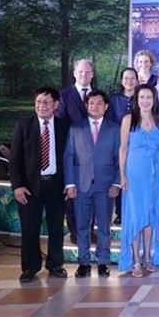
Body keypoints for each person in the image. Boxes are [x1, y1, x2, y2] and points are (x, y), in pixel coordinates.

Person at [10, 87, 69, 283]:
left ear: (56, 105)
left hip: (55, 185)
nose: (41, 106)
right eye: (38, 102)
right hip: (29, 187)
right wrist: (17, 186)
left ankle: (55, 264)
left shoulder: (64, 126)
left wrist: (69, 184)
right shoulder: (24, 125)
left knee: (55, 227)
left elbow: (70, 158)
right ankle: (29, 267)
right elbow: (15, 159)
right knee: (29, 228)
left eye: (46, 102)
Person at [63, 90, 120, 278]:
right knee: (81, 226)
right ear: (86, 106)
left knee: (104, 225)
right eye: (91, 103)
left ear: (106, 107)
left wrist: (117, 183)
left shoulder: (114, 129)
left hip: (105, 185)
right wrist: (70, 184)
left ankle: (103, 262)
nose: (94, 106)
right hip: (81, 185)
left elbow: (119, 158)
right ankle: (84, 262)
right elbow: (69, 156)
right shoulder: (76, 128)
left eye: (98, 103)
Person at [118, 85, 159, 277]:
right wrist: (122, 175)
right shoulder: (128, 120)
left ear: (154, 100)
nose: (145, 101)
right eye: (142, 97)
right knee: (135, 216)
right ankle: (135, 260)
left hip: (155, 175)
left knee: (150, 215)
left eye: (149, 97)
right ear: (136, 99)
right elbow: (123, 149)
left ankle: (148, 257)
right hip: (134, 175)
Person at [55, 59, 96, 244]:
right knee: (73, 193)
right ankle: (74, 230)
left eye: (87, 72)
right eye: (80, 72)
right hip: (72, 152)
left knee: (92, 192)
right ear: (74, 73)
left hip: (94, 154)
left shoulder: (97, 96)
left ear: (92, 75)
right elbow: (60, 123)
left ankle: (89, 229)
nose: (84, 75)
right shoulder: (63, 95)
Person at [108, 68, 138, 225]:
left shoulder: (141, 98)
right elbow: (110, 122)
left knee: (133, 178)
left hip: (137, 146)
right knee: (120, 176)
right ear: (121, 81)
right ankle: (120, 212)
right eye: (126, 78)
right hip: (119, 144)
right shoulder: (114, 100)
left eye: (132, 78)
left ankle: (134, 210)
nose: (129, 81)